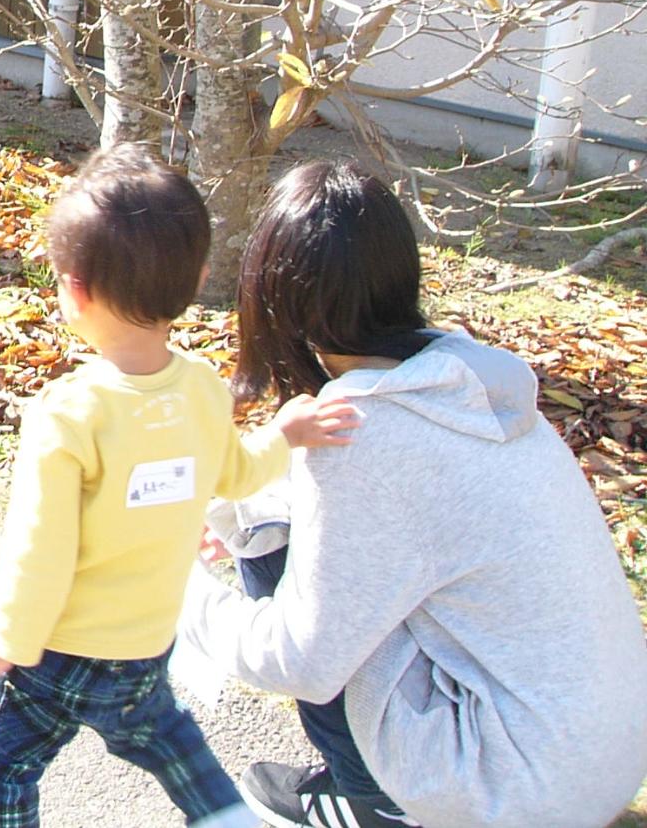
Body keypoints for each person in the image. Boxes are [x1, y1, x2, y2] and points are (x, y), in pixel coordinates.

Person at [179, 161, 647, 828]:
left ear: (276, 300)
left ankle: (374, 802)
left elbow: (298, 659)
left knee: (278, 550)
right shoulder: (465, 380)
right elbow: (376, 501)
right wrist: (232, 508)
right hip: (598, 757)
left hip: (517, 796)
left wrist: (177, 587)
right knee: (274, 523)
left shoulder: (364, 436)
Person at [0, 145, 359, 828]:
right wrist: (285, 437)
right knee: (170, 745)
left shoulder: (71, 411)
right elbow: (235, 475)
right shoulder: (202, 389)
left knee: (3, 765)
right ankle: (228, 818)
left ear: (74, 290)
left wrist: (7, 642)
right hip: (144, 645)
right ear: (197, 276)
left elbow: (39, 548)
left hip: (57, 653)